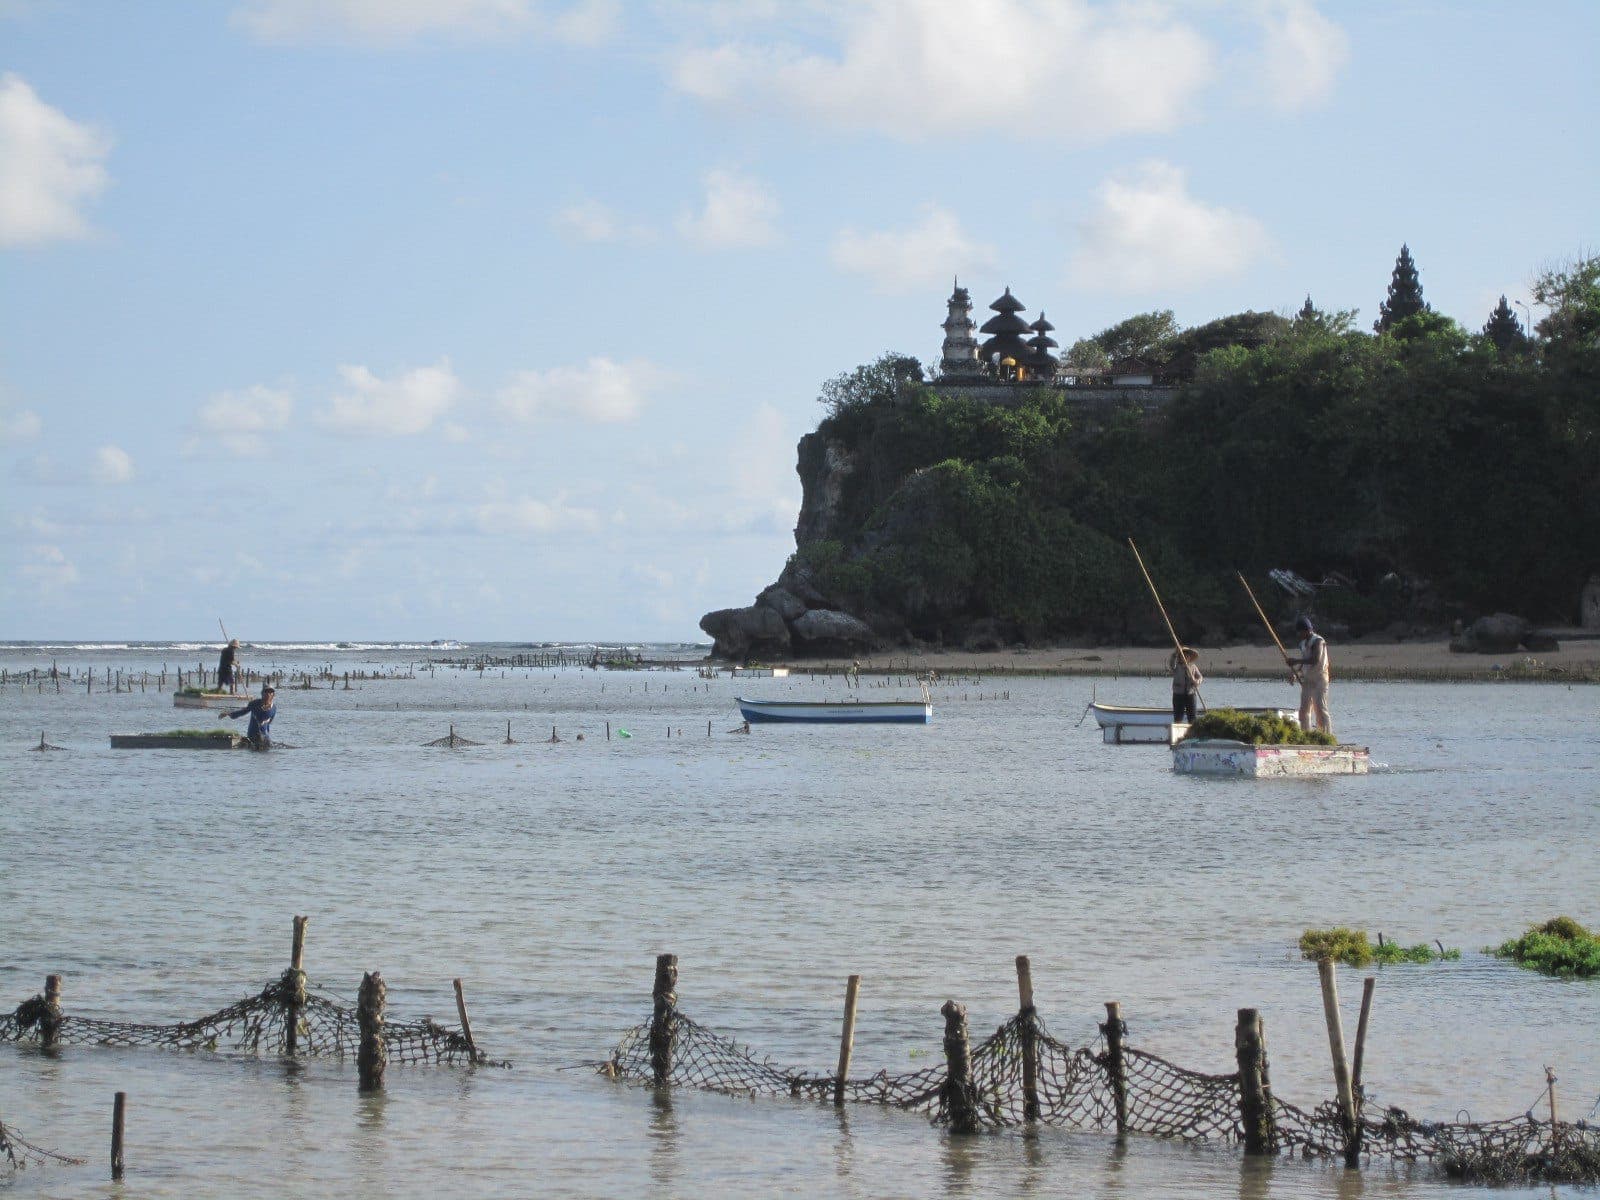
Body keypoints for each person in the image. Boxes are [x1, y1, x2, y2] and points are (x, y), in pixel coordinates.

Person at [1289, 616, 1332, 733]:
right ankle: (1306, 735)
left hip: (1320, 679)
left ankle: (1325, 736)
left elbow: (1315, 660)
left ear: (1307, 630)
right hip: (1308, 680)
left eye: (1300, 632)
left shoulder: (1318, 641)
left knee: (1320, 709)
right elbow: (1305, 660)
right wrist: (1296, 672)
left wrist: (1296, 661)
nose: (1299, 634)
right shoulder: (1302, 644)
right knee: (1303, 711)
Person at [224, 684, 276, 750]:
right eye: (266, 692)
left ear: (273, 695)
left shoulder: (274, 708)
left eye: (270, 692)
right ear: (262, 694)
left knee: (269, 747)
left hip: (265, 735)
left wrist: (265, 723)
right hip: (253, 734)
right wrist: (229, 714)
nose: (268, 694)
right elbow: (242, 712)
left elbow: (269, 722)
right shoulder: (254, 704)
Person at [1169, 646, 1203, 723]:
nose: (1185, 657)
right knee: (1178, 717)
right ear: (1180, 657)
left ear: (1190, 657)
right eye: (1183, 655)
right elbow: (1171, 664)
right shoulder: (1176, 666)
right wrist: (1175, 653)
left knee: (1192, 717)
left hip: (1191, 694)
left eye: (1187, 655)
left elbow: (1200, 677)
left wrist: (1197, 681)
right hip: (1178, 694)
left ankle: (1192, 731)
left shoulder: (1193, 667)